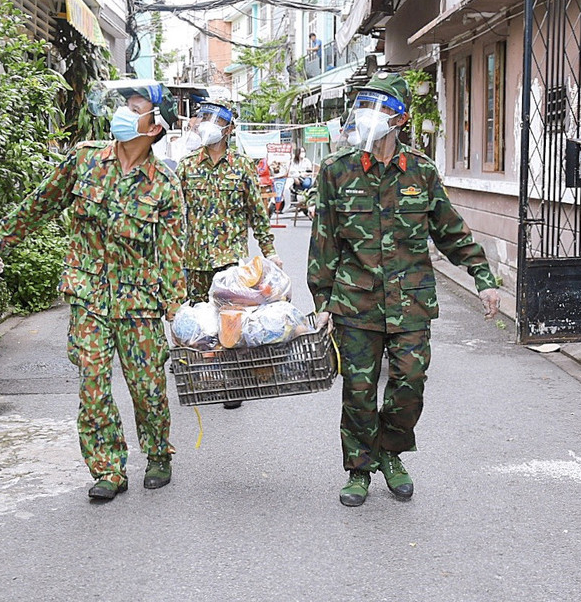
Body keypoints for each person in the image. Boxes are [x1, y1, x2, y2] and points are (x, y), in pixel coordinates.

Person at [0, 80, 185, 501]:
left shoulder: (164, 183)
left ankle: (158, 452)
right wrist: (0, 239)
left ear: (154, 127)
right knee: (92, 384)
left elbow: (170, 248)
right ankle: (109, 468)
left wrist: (175, 304)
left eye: (137, 107)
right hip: (89, 293)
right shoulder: (85, 160)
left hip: (140, 299)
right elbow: (41, 202)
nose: (125, 113)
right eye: (125, 105)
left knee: (147, 387)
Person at [307, 71, 500, 508]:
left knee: (409, 383)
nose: (369, 116)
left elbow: (451, 232)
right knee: (358, 389)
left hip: (411, 301)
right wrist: (322, 301)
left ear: (400, 119)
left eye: (380, 107)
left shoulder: (421, 172)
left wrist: (483, 278)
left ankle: (391, 453)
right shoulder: (336, 172)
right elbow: (325, 241)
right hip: (355, 301)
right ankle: (359, 468)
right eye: (365, 105)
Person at [174, 98, 282, 409]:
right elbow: (171, 213)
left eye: (215, 120)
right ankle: (199, 373)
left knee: (230, 322)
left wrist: (270, 251)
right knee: (196, 320)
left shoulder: (242, 168)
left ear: (229, 129)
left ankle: (232, 382)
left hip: (231, 262)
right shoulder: (186, 167)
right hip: (194, 259)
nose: (206, 124)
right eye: (203, 117)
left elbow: (257, 215)